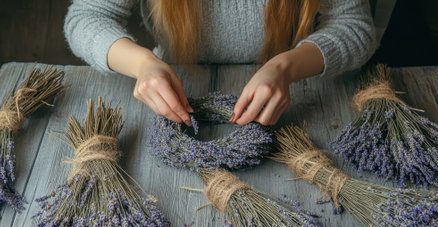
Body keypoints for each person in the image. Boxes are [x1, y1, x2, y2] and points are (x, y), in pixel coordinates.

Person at [64, 0, 377, 126]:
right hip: (172, 91)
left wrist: (285, 66)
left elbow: (355, 26)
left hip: (303, 101)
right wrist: (143, 64)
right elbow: (86, 18)